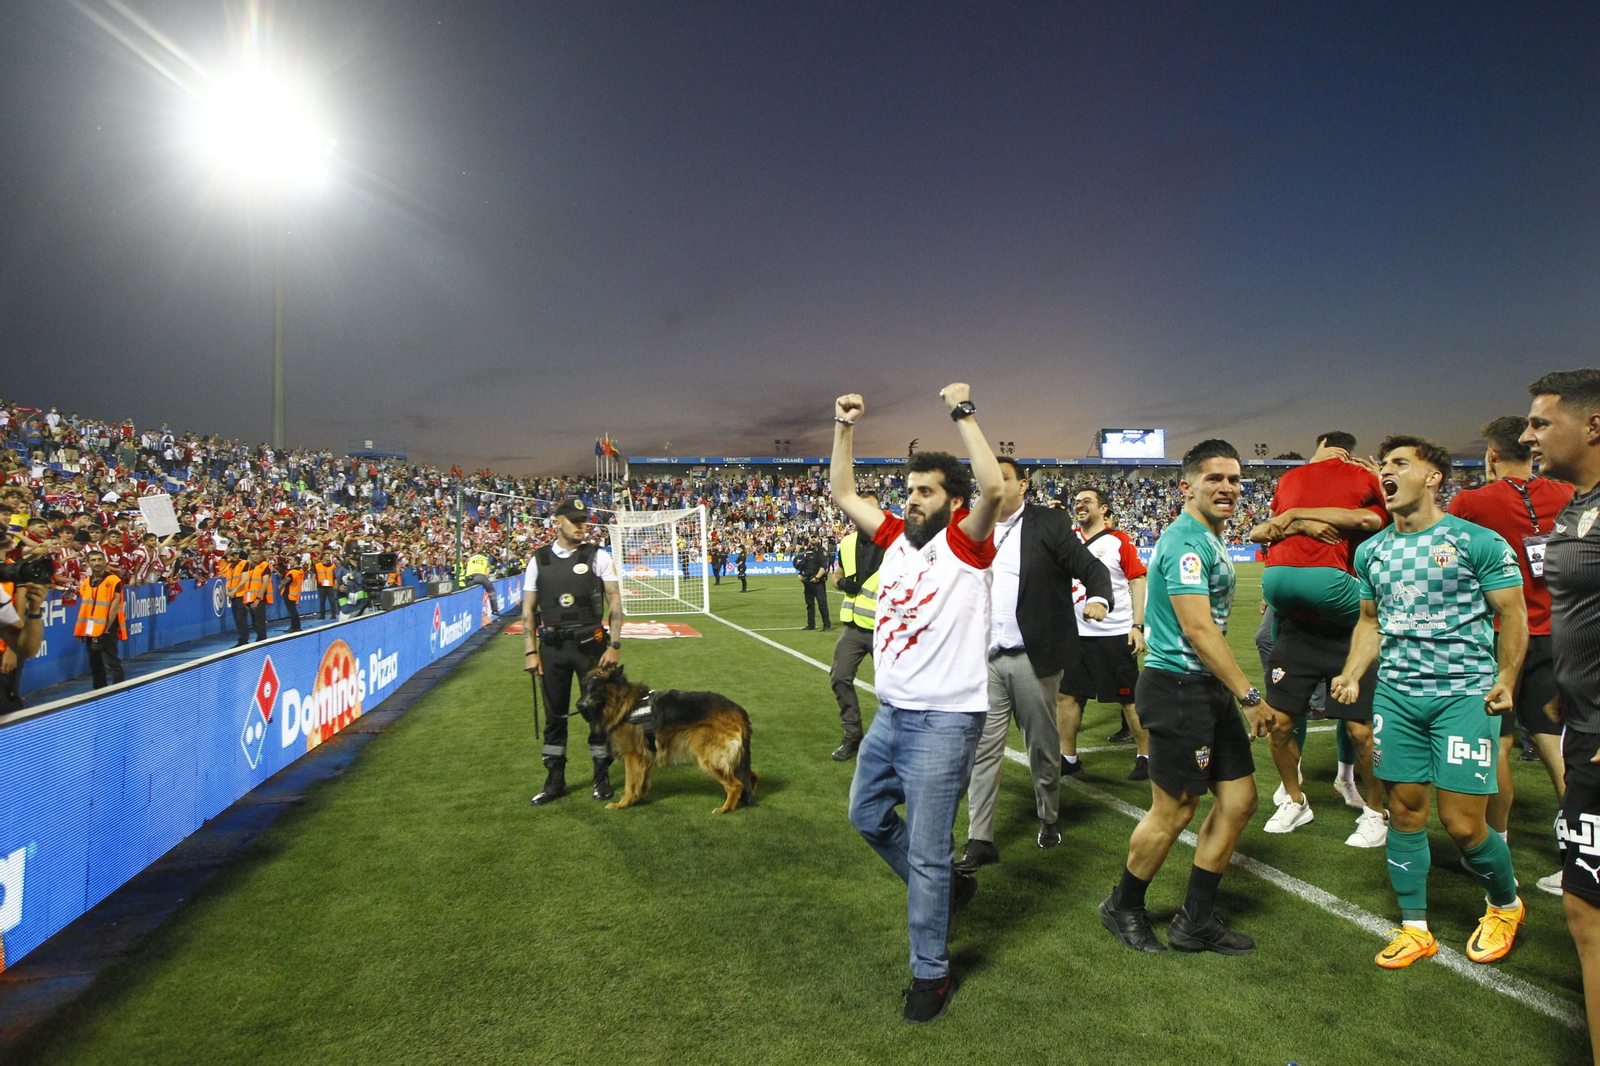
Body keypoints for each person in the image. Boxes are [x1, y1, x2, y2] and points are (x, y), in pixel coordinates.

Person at [830, 383, 1002, 1024]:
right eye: (908, 491)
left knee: (929, 851)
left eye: (925, 491)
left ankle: (931, 971)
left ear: (951, 501)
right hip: (892, 714)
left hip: (946, 720)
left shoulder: (966, 543)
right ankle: (949, 889)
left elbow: (993, 488)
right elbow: (845, 492)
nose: (912, 500)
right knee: (866, 815)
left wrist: (963, 410)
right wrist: (842, 425)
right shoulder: (896, 536)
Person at [1331, 435, 1527, 969]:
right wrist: (1351, 673)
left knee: (1464, 824)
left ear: (1434, 476)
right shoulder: (1372, 551)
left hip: (1463, 696)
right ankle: (1414, 927)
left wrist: (1506, 676)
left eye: (1399, 463)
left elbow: (1513, 615)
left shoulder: (1475, 541)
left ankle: (1505, 904)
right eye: (1384, 466)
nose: (1386, 472)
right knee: (1404, 812)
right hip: (1397, 698)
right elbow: (1371, 622)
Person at [1099, 440, 1266, 956]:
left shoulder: (1211, 537)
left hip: (1206, 688)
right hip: (1177, 688)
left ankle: (1194, 921)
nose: (1227, 488)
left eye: (1235, 479)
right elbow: (1197, 628)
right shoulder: (1184, 541)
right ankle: (1122, 905)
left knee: (1239, 800)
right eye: (1214, 478)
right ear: (1186, 485)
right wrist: (1249, 693)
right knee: (1174, 810)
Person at [959, 459, 1111, 873]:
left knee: (1042, 747)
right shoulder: (972, 524)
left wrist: (1099, 597)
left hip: (1033, 657)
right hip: (984, 659)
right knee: (982, 750)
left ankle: (1048, 816)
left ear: (1023, 485)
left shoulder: (1049, 523)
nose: (992, 484)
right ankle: (980, 838)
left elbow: (1090, 567)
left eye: (1003, 477)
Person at [1448, 415, 1573, 894]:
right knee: (1554, 742)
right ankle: (1581, 854)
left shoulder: (1472, 501)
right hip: (1556, 633)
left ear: (1492, 456)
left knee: (1497, 743)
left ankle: (1495, 847)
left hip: (1498, 635)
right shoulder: (1563, 493)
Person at [1247, 432, 1390, 846]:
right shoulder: (1296, 480)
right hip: (1299, 626)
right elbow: (1265, 531)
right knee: (1280, 724)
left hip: (1351, 631)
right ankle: (1295, 800)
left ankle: (1375, 810)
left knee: (1362, 731)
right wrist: (1298, 521)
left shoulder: (1369, 483)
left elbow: (1375, 522)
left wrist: (1298, 514)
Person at [1521, 369, 1600, 1055]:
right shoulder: (1578, 507)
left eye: (1542, 422)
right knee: (1584, 911)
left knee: (1591, 915)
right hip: (1583, 725)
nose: (1527, 434)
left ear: (1593, 425)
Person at [524, 497, 624, 806]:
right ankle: (555, 781)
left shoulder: (598, 556)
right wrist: (530, 650)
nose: (582, 524)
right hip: (552, 649)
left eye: (584, 519)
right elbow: (528, 609)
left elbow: (615, 602)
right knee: (555, 717)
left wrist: (614, 644)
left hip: (591, 649)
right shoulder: (538, 560)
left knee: (597, 714)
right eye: (575, 519)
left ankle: (601, 777)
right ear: (558, 522)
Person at [1058, 487, 1150, 782]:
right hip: (1075, 635)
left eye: (1087, 501)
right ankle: (1068, 757)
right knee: (1067, 695)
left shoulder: (1119, 541)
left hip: (1113, 633)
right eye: (1077, 502)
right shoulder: (1067, 540)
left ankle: (1146, 756)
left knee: (1129, 699)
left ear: (1104, 509)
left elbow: (1137, 581)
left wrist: (1137, 626)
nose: (1080, 505)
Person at [828, 493, 886, 761]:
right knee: (839, 678)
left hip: (886, 629)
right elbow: (835, 574)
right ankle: (852, 736)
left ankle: (892, 742)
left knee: (893, 689)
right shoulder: (848, 542)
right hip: (853, 627)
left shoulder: (897, 542)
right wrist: (839, 583)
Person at [75, 548, 127, 688]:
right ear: (87, 563)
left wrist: (105, 628)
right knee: (95, 662)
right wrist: (81, 630)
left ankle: (119, 691)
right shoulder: (85, 583)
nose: (97, 563)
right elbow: (85, 609)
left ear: (105, 561)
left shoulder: (113, 580)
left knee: (112, 662)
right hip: (91, 629)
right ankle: (99, 691)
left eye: (99, 559)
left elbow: (114, 607)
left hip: (107, 628)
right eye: (93, 560)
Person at [242, 547, 275, 642]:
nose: (255, 556)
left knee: (259, 622)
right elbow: (248, 584)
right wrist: (246, 600)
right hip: (250, 598)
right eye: (252, 554)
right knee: (254, 622)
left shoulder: (264, 565)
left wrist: (258, 598)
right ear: (249, 556)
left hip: (258, 598)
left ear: (260, 555)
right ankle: (260, 639)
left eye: (257, 554)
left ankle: (262, 640)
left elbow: (265, 583)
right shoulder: (249, 567)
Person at [799, 538, 831, 631]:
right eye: (811, 537)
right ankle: (811, 624)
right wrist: (800, 574)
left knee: (822, 603)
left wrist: (817, 577)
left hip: (818, 581)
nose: (813, 539)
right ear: (809, 539)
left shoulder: (821, 551)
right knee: (809, 603)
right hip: (807, 580)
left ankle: (827, 625)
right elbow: (802, 564)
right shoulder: (807, 551)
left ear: (818, 539)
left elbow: (824, 566)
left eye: (815, 537)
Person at [225, 551, 251, 647]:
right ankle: (242, 638)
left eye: (236, 554)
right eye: (232, 554)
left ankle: (244, 640)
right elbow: (227, 580)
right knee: (237, 619)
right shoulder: (229, 566)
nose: (235, 556)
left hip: (242, 595)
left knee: (241, 618)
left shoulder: (244, 563)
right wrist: (227, 592)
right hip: (234, 596)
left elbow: (244, 580)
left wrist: (234, 591)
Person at [280, 556, 306, 633]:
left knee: (292, 611)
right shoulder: (301, 571)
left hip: (289, 593)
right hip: (295, 593)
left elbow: (286, 580)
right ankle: (297, 626)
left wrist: (281, 585)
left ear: (295, 561)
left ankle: (294, 627)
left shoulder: (292, 572)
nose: (290, 561)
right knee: (293, 610)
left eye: (291, 560)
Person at [314, 552, 338, 618]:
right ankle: (322, 615)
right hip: (321, 586)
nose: (328, 557)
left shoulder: (333, 566)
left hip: (330, 585)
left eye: (329, 556)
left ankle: (333, 614)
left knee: (332, 601)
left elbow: (335, 576)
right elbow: (315, 575)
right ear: (323, 557)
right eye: (327, 556)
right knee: (322, 601)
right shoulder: (317, 565)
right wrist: (314, 584)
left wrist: (335, 583)